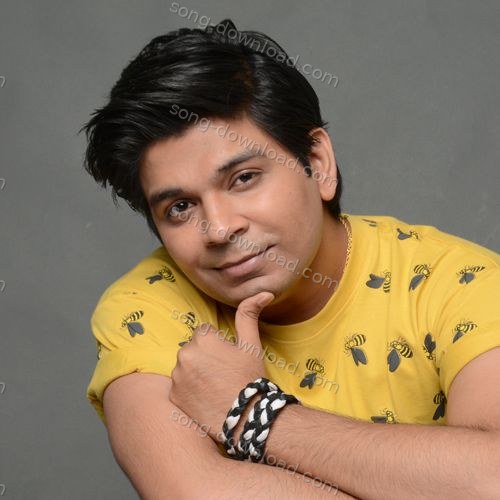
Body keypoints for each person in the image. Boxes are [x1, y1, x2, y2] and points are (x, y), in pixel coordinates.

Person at [82, 19, 500, 499]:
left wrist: (254, 414)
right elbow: (194, 492)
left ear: (317, 163)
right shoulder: (147, 309)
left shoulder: (460, 284)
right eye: (179, 207)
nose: (219, 229)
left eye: (243, 178)